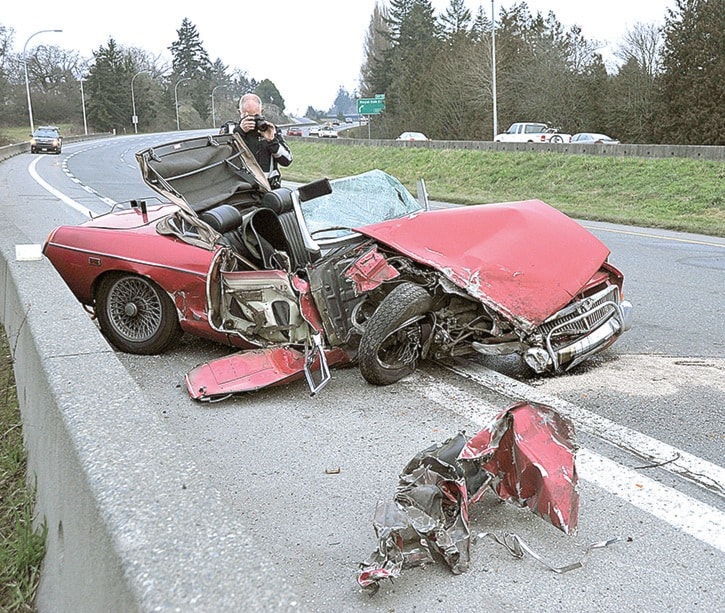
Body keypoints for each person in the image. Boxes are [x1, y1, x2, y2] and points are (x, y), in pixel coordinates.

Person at [220, 93, 292, 189]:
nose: (252, 120)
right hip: (240, 189)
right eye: (246, 116)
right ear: (239, 112)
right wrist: (239, 132)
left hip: (268, 187)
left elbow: (287, 160)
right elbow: (221, 157)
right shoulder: (230, 130)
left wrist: (272, 141)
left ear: (262, 112)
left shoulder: (271, 129)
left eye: (255, 116)